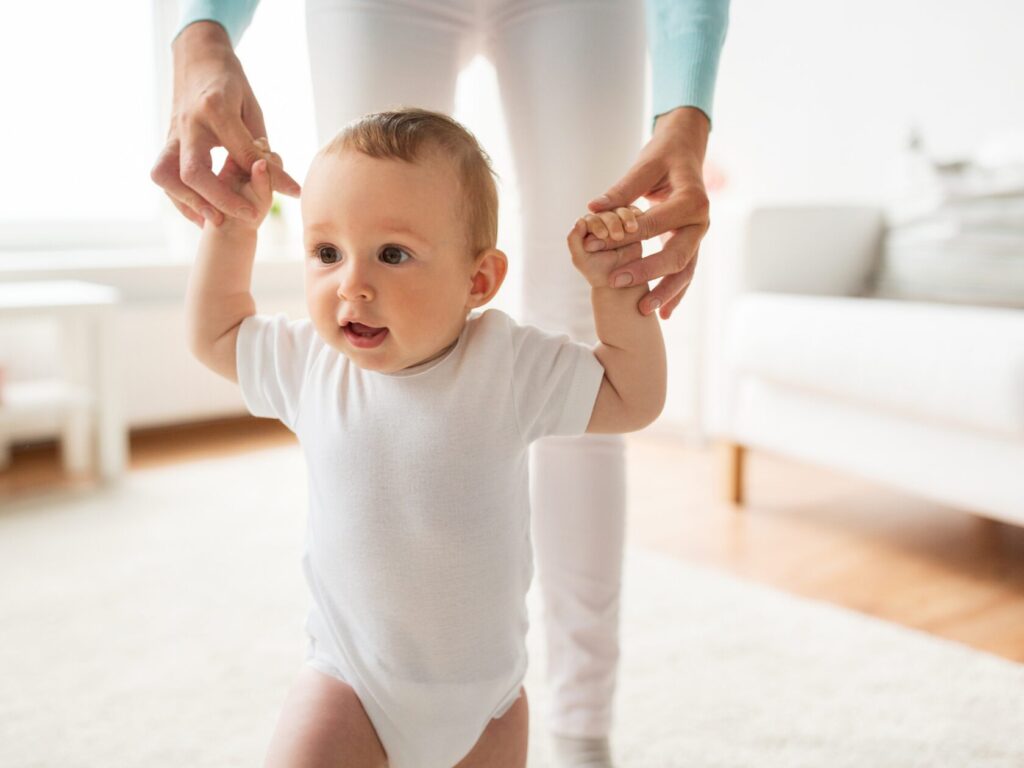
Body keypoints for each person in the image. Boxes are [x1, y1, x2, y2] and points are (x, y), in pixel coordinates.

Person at [155, 2, 728, 765]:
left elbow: (631, 398)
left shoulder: (509, 365)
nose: (351, 286)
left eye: (392, 255)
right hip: (350, 687)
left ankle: (587, 726)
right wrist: (232, 232)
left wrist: (617, 299)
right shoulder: (310, 362)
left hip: (489, 706)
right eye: (327, 253)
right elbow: (217, 333)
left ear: (479, 280)